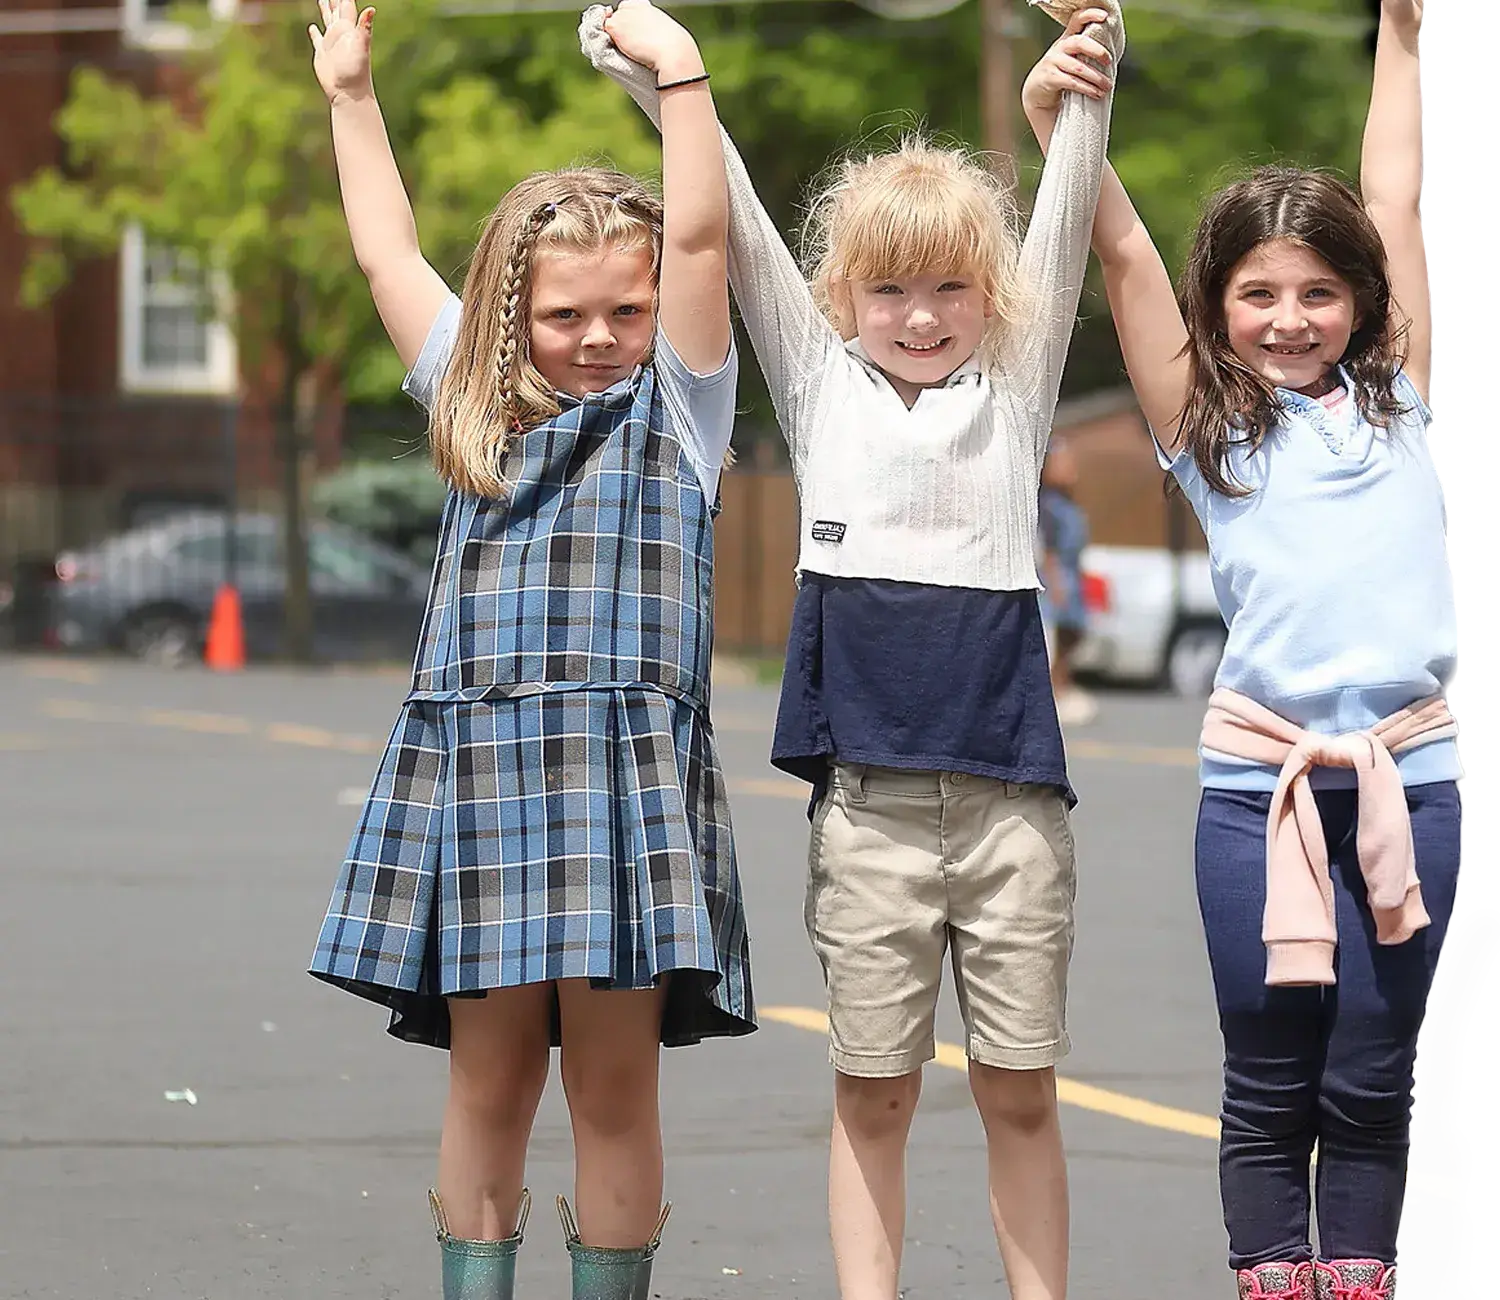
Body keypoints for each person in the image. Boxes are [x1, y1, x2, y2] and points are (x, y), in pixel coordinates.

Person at [583, 4, 1122, 1296]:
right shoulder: (821, 387)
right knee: (873, 1096)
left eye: (949, 289)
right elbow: (736, 214)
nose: (921, 316)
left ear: (994, 299)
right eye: (889, 288)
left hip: (1010, 812)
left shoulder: (1019, 381)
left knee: (1020, 1090)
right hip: (871, 815)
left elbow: (1072, 175)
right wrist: (629, 45)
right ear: (843, 298)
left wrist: (1096, 43)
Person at [305, 1, 754, 1295]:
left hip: (620, 791)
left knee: (614, 1094)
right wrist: (352, 95)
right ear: (515, 311)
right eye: (566, 313)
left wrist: (679, 74)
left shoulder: (679, 402)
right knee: (487, 1084)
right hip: (484, 781)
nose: (602, 334)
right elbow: (387, 251)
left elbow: (708, 229)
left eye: (627, 307)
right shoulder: (469, 400)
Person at [1030, 0, 1461, 1294]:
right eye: (1258, 294)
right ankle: (1271, 1277)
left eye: (1319, 292)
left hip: (1405, 779)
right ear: (1220, 309)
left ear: (1364, 303)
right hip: (1254, 792)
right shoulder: (1210, 427)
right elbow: (1120, 253)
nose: (1290, 317)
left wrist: (1400, 32)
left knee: (1371, 1079)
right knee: (1272, 1079)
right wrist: (1068, 118)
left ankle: (1361, 1279)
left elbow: (1392, 188)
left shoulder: (1395, 391)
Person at [1037, 436, 1098, 725]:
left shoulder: (1068, 504)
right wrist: (1056, 585)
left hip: (1073, 579)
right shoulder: (1047, 505)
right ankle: (1054, 690)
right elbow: (1048, 551)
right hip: (1058, 583)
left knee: (1074, 636)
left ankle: (1064, 686)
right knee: (1058, 640)